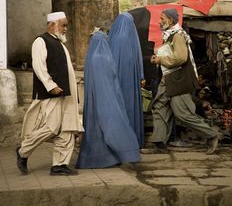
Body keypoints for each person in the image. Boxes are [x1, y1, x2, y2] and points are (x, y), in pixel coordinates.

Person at [16, 11, 84, 176]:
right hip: (52, 93)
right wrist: (50, 85)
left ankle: (59, 165)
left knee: (67, 129)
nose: (66, 28)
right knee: (51, 127)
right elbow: (39, 66)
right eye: (63, 25)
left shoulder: (60, 43)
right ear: (52, 25)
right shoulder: (41, 41)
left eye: (66, 25)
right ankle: (23, 151)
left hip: (67, 95)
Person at [147, 8, 218, 154]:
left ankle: (212, 135)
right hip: (168, 80)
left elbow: (181, 58)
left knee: (182, 114)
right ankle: (159, 143)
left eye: (162, 19)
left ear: (171, 20)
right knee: (159, 107)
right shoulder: (169, 36)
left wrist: (160, 59)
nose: (159, 22)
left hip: (178, 81)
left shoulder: (178, 36)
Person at [76, 30, 140, 169]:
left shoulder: (91, 57)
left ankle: (96, 158)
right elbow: (110, 79)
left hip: (94, 99)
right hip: (107, 98)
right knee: (112, 126)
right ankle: (124, 153)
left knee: (95, 129)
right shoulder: (104, 57)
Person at [108, 12, 145, 148]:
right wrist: (141, 76)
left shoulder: (112, 37)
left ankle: (117, 141)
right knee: (130, 106)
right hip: (130, 81)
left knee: (117, 108)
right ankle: (132, 140)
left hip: (115, 81)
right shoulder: (130, 38)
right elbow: (138, 58)